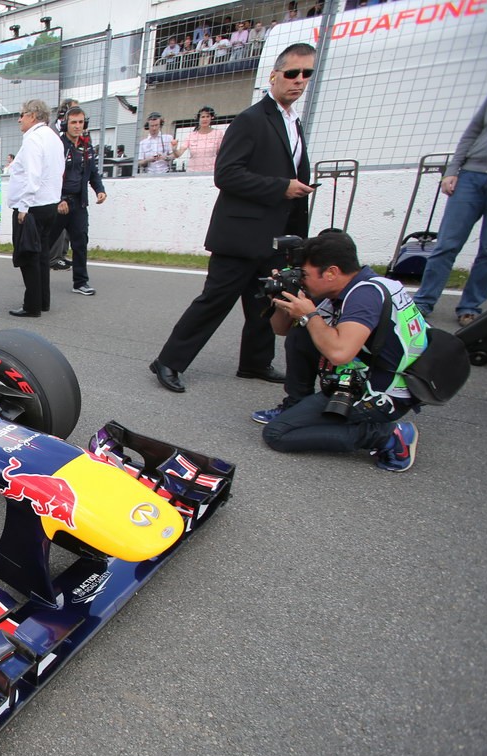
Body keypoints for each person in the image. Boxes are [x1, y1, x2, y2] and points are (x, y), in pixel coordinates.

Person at [150, 43, 317, 393]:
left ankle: (255, 363)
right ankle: (168, 361)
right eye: (292, 73)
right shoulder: (252, 119)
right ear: (273, 76)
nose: (299, 80)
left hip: (274, 234)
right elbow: (226, 175)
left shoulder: (292, 122)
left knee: (266, 299)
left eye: (307, 74)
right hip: (240, 233)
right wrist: (281, 187)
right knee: (215, 301)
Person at [259, 231, 425, 471]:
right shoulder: (347, 287)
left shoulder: (364, 296)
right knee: (302, 331)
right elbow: (281, 329)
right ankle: (298, 404)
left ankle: (388, 435)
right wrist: (285, 297)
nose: (301, 279)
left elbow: (340, 354)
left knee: (277, 434)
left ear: (331, 272)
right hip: (363, 375)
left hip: (382, 394)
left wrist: (308, 314)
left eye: (304, 274)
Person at [411, 83, 487, 327]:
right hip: (472, 173)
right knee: (447, 244)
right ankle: (423, 302)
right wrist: (453, 170)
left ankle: (470, 307)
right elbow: (472, 132)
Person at [8, 99, 65, 319]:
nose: (19, 119)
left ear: (33, 115)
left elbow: (33, 175)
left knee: (28, 256)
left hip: (32, 206)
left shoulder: (33, 139)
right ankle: (43, 301)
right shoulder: (53, 137)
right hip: (49, 203)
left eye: (22, 114)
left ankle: (31, 306)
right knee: (41, 254)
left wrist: (24, 206)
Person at [47, 106, 107, 296]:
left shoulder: (87, 146)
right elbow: (51, 175)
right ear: (65, 124)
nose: (77, 126)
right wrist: (60, 200)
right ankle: (35, 277)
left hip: (79, 203)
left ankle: (81, 282)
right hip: (58, 203)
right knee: (45, 243)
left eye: (80, 122)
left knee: (80, 242)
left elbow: (93, 173)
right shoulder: (58, 145)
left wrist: (100, 190)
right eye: (73, 122)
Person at [173, 106, 225, 173]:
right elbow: (179, 154)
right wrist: (174, 148)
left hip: (211, 172)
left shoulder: (218, 133)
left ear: (212, 118)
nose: (205, 119)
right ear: (199, 119)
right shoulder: (191, 135)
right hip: (192, 172)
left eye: (207, 116)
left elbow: (221, 153)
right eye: (203, 117)